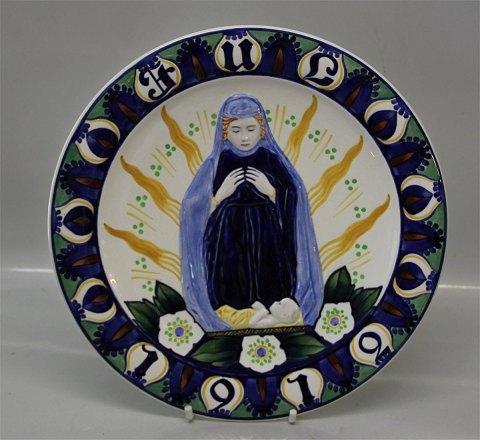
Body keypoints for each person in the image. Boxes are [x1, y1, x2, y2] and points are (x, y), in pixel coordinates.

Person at [180, 93, 323, 332]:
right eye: (236, 130)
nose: (244, 137)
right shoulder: (216, 163)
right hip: (228, 232)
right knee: (232, 276)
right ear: (225, 132)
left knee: (269, 272)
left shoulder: (270, 159)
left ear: (262, 130)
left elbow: (293, 195)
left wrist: (272, 192)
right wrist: (219, 197)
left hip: (266, 228)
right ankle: (238, 317)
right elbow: (192, 207)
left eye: (250, 129)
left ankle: (273, 315)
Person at [216, 298, 304, 330]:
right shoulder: (271, 318)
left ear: (284, 315)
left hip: (241, 319)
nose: (276, 301)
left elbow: (252, 324)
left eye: (280, 303)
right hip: (245, 315)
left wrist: (262, 311)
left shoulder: (269, 322)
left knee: (225, 312)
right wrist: (260, 308)